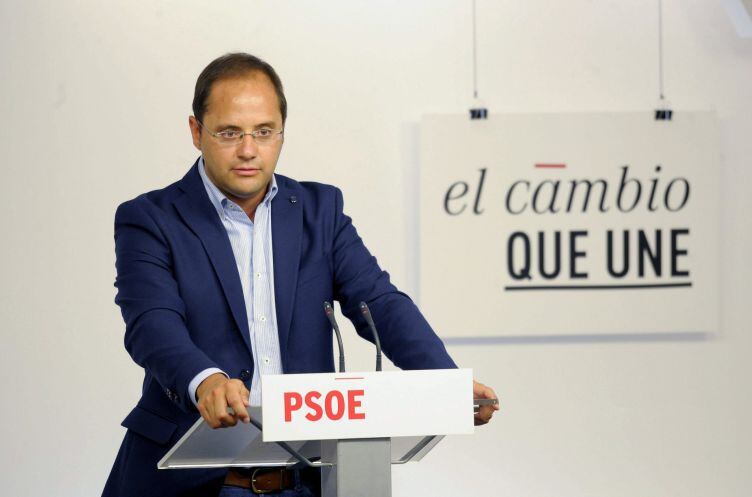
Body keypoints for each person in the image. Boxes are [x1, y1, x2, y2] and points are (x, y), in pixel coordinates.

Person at [102, 52, 499, 497]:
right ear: (197, 132)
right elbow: (152, 323)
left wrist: (445, 383)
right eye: (230, 132)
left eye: (264, 132)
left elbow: (379, 302)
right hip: (191, 482)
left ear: (282, 133)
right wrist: (204, 379)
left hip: (307, 480)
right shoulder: (150, 219)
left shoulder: (320, 211)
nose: (249, 149)